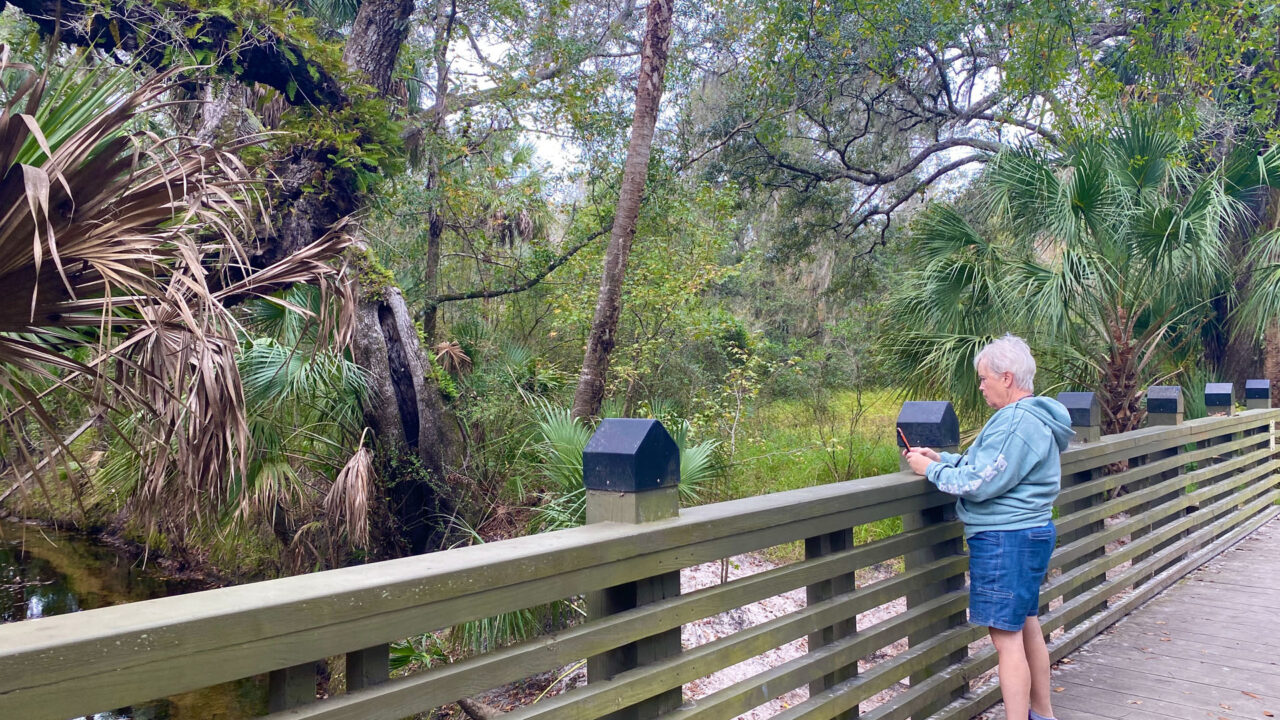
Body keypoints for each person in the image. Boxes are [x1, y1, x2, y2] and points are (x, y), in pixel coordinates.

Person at [903, 334, 1073, 720]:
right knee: (1026, 625)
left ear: (1006, 378)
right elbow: (994, 466)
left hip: (1005, 539)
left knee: (1006, 639)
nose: (981, 386)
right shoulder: (1036, 417)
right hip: (1030, 532)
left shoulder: (1016, 421)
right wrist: (943, 459)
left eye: (984, 379)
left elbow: (981, 483)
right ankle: (1042, 714)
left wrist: (930, 470)